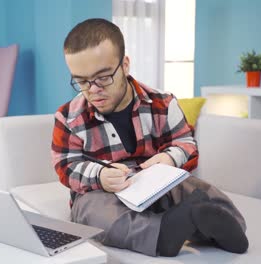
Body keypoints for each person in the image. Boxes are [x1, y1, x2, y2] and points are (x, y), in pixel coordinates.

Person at [51, 18, 248, 257]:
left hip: (157, 186)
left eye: (103, 77)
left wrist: (169, 159)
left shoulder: (163, 103)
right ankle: (164, 234)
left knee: (200, 191)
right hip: (101, 193)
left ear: (125, 65)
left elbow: (186, 144)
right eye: (82, 81)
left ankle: (221, 225)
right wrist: (100, 176)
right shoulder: (68, 117)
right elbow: (66, 166)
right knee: (92, 213)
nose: (93, 89)